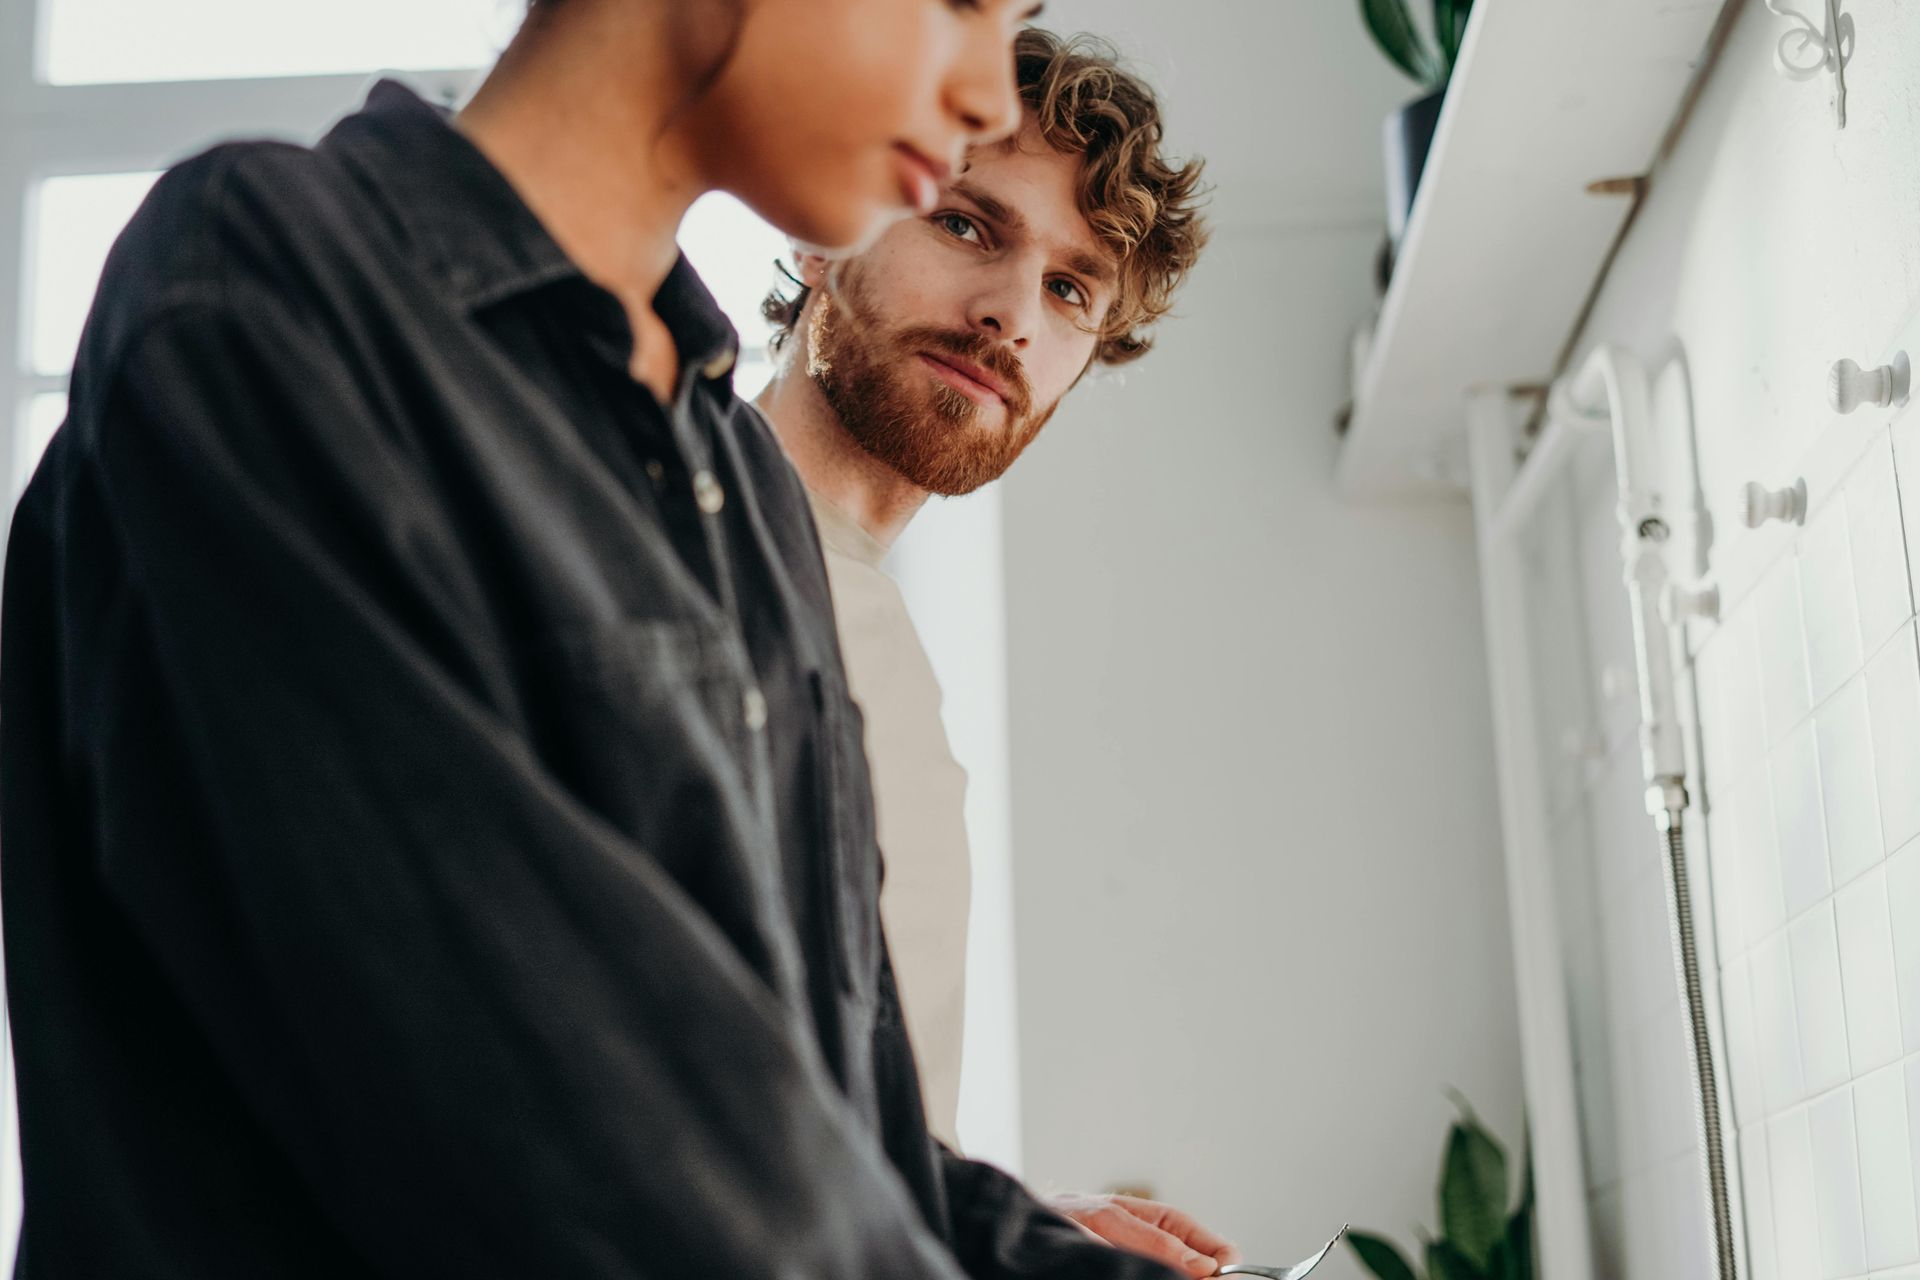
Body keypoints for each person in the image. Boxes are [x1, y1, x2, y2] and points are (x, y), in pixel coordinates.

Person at [0, 2, 1192, 1276]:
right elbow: (564, 1114)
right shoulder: (270, 287)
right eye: (959, 5)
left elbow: (861, 1138)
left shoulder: (728, 471)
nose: (971, 92)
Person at [753, 27, 1227, 1280]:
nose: (1012, 314)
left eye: (1072, 291)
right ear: (818, 225)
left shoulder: (872, 627)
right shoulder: (673, 557)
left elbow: (835, 1125)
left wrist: (1002, 1223)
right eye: (970, 224)